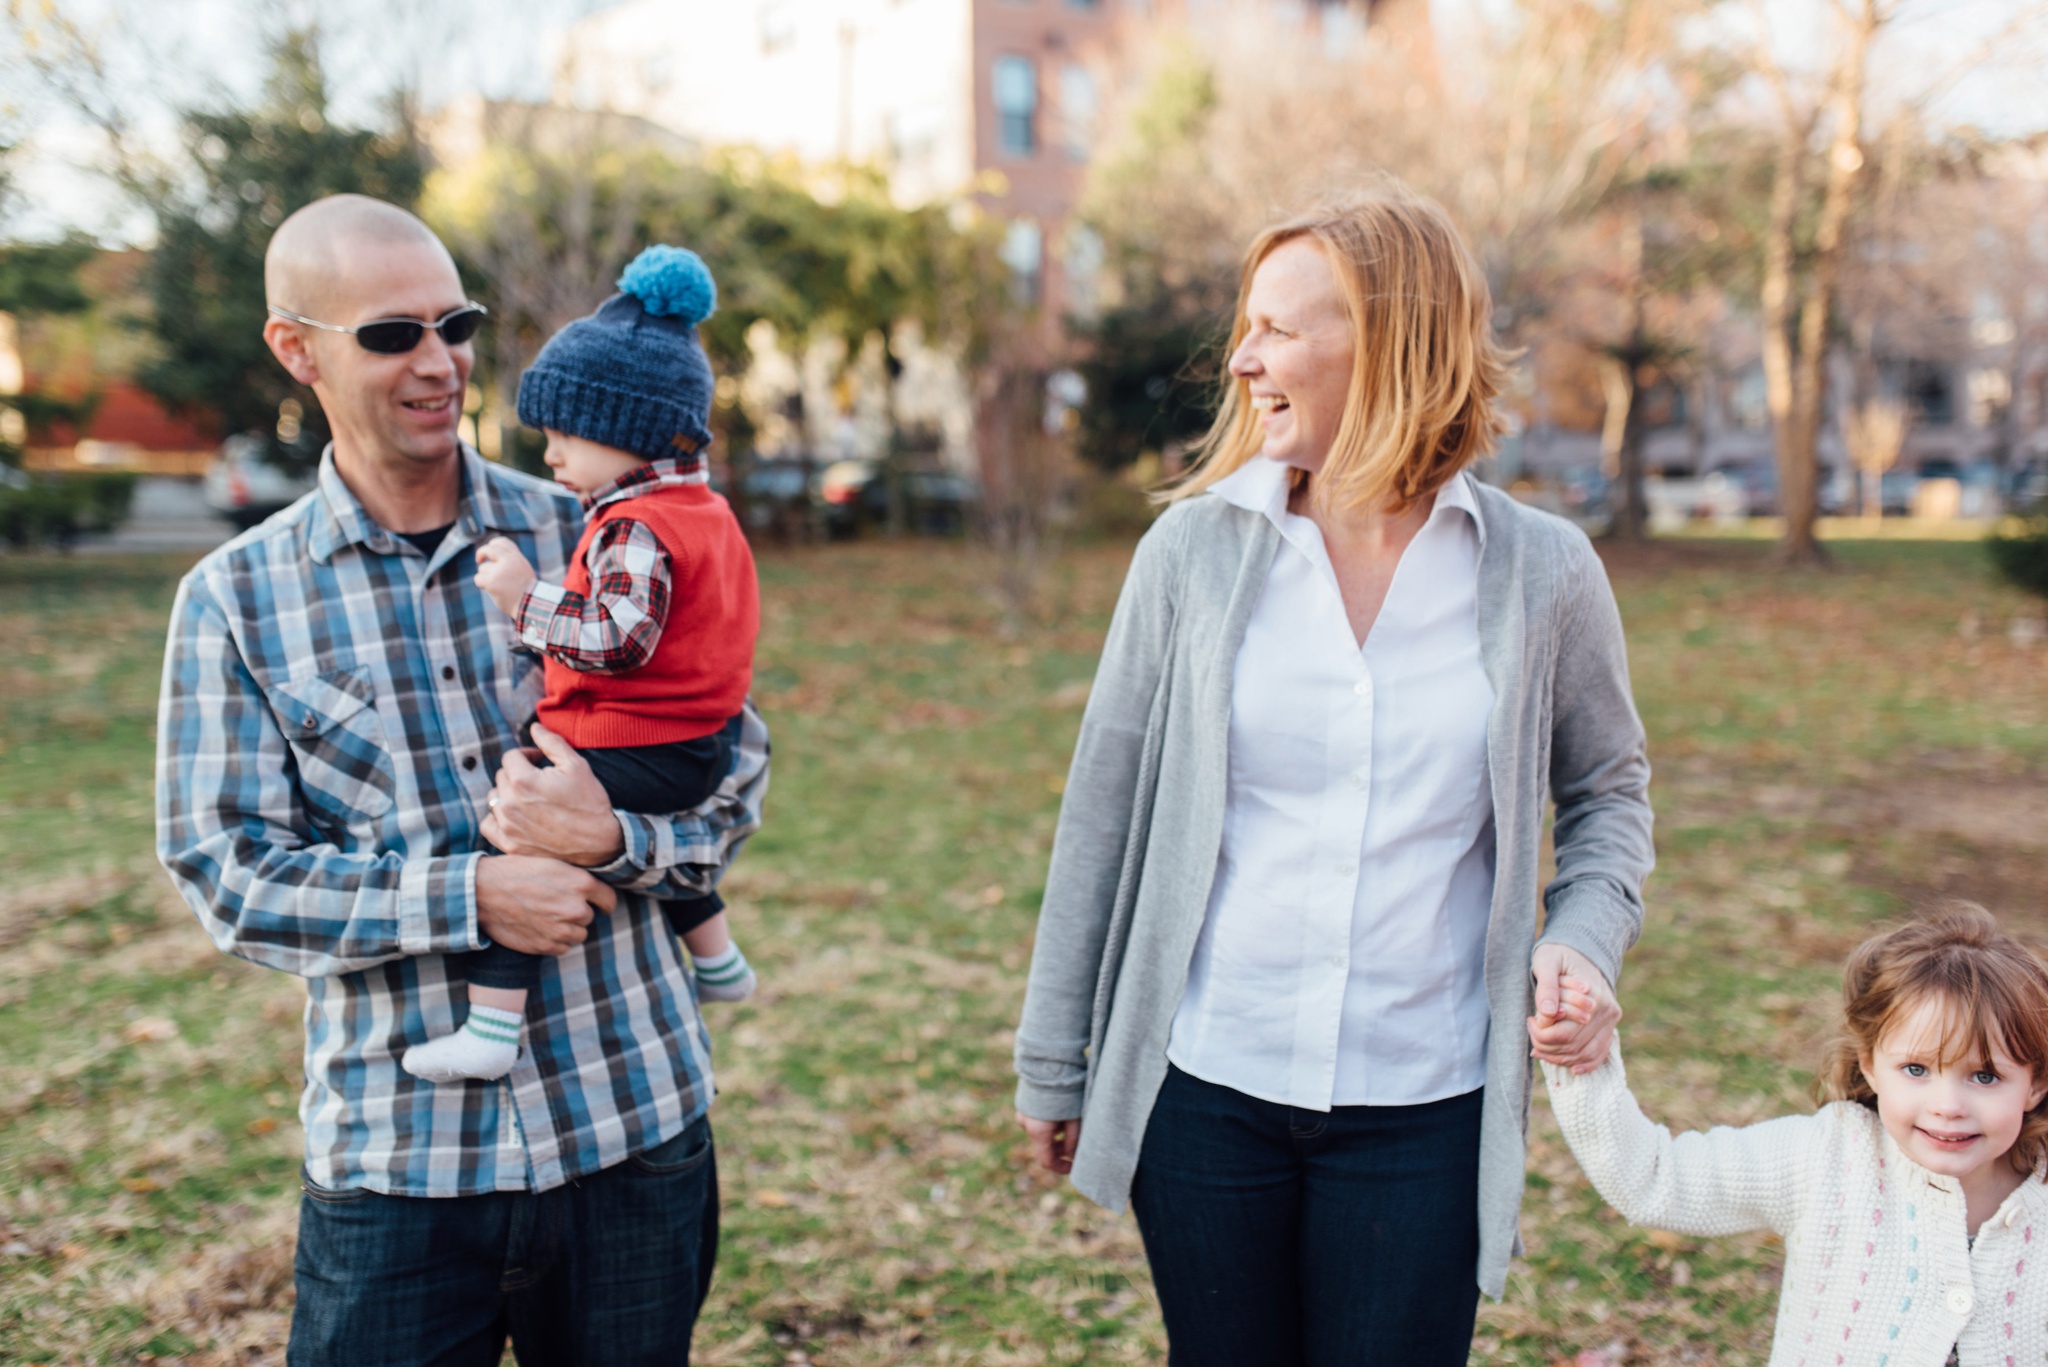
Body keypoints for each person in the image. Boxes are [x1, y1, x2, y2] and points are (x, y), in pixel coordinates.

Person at [1011, 185, 1656, 1365]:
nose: (1242, 358)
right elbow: (1099, 811)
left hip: (1424, 1104)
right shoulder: (1190, 552)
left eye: (1278, 328)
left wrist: (1584, 934)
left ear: (1392, 343)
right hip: (1203, 1088)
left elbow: (1609, 793)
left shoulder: (1542, 572)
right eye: (1243, 326)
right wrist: (1055, 1056)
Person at [154, 194, 767, 1366]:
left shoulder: (595, 526)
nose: (440, 361)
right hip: (402, 1167)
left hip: (633, 1131)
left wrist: (613, 843)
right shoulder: (236, 597)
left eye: (457, 322)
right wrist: (471, 899)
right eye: (393, 334)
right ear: (298, 349)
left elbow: (732, 765)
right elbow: (229, 876)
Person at [401, 244, 761, 1085]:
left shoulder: (637, 526)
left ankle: (492, 1024)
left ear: (629, 432)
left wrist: (525, 599)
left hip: (639, 741)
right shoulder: (704, 513)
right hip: (692, 743)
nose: (553, 457)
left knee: (517, 827)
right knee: (564, 809)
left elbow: (616, 640)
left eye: (566, 436)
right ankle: (717, 957)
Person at [1544, 904, 2048, 1366]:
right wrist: (1581, 1056)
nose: (1947, 1107)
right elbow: (1655, 1179)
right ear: (1870, 1065)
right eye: (1916, 1069)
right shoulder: (1827, 1157)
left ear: (2035, 1083)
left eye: (1984, 1076)